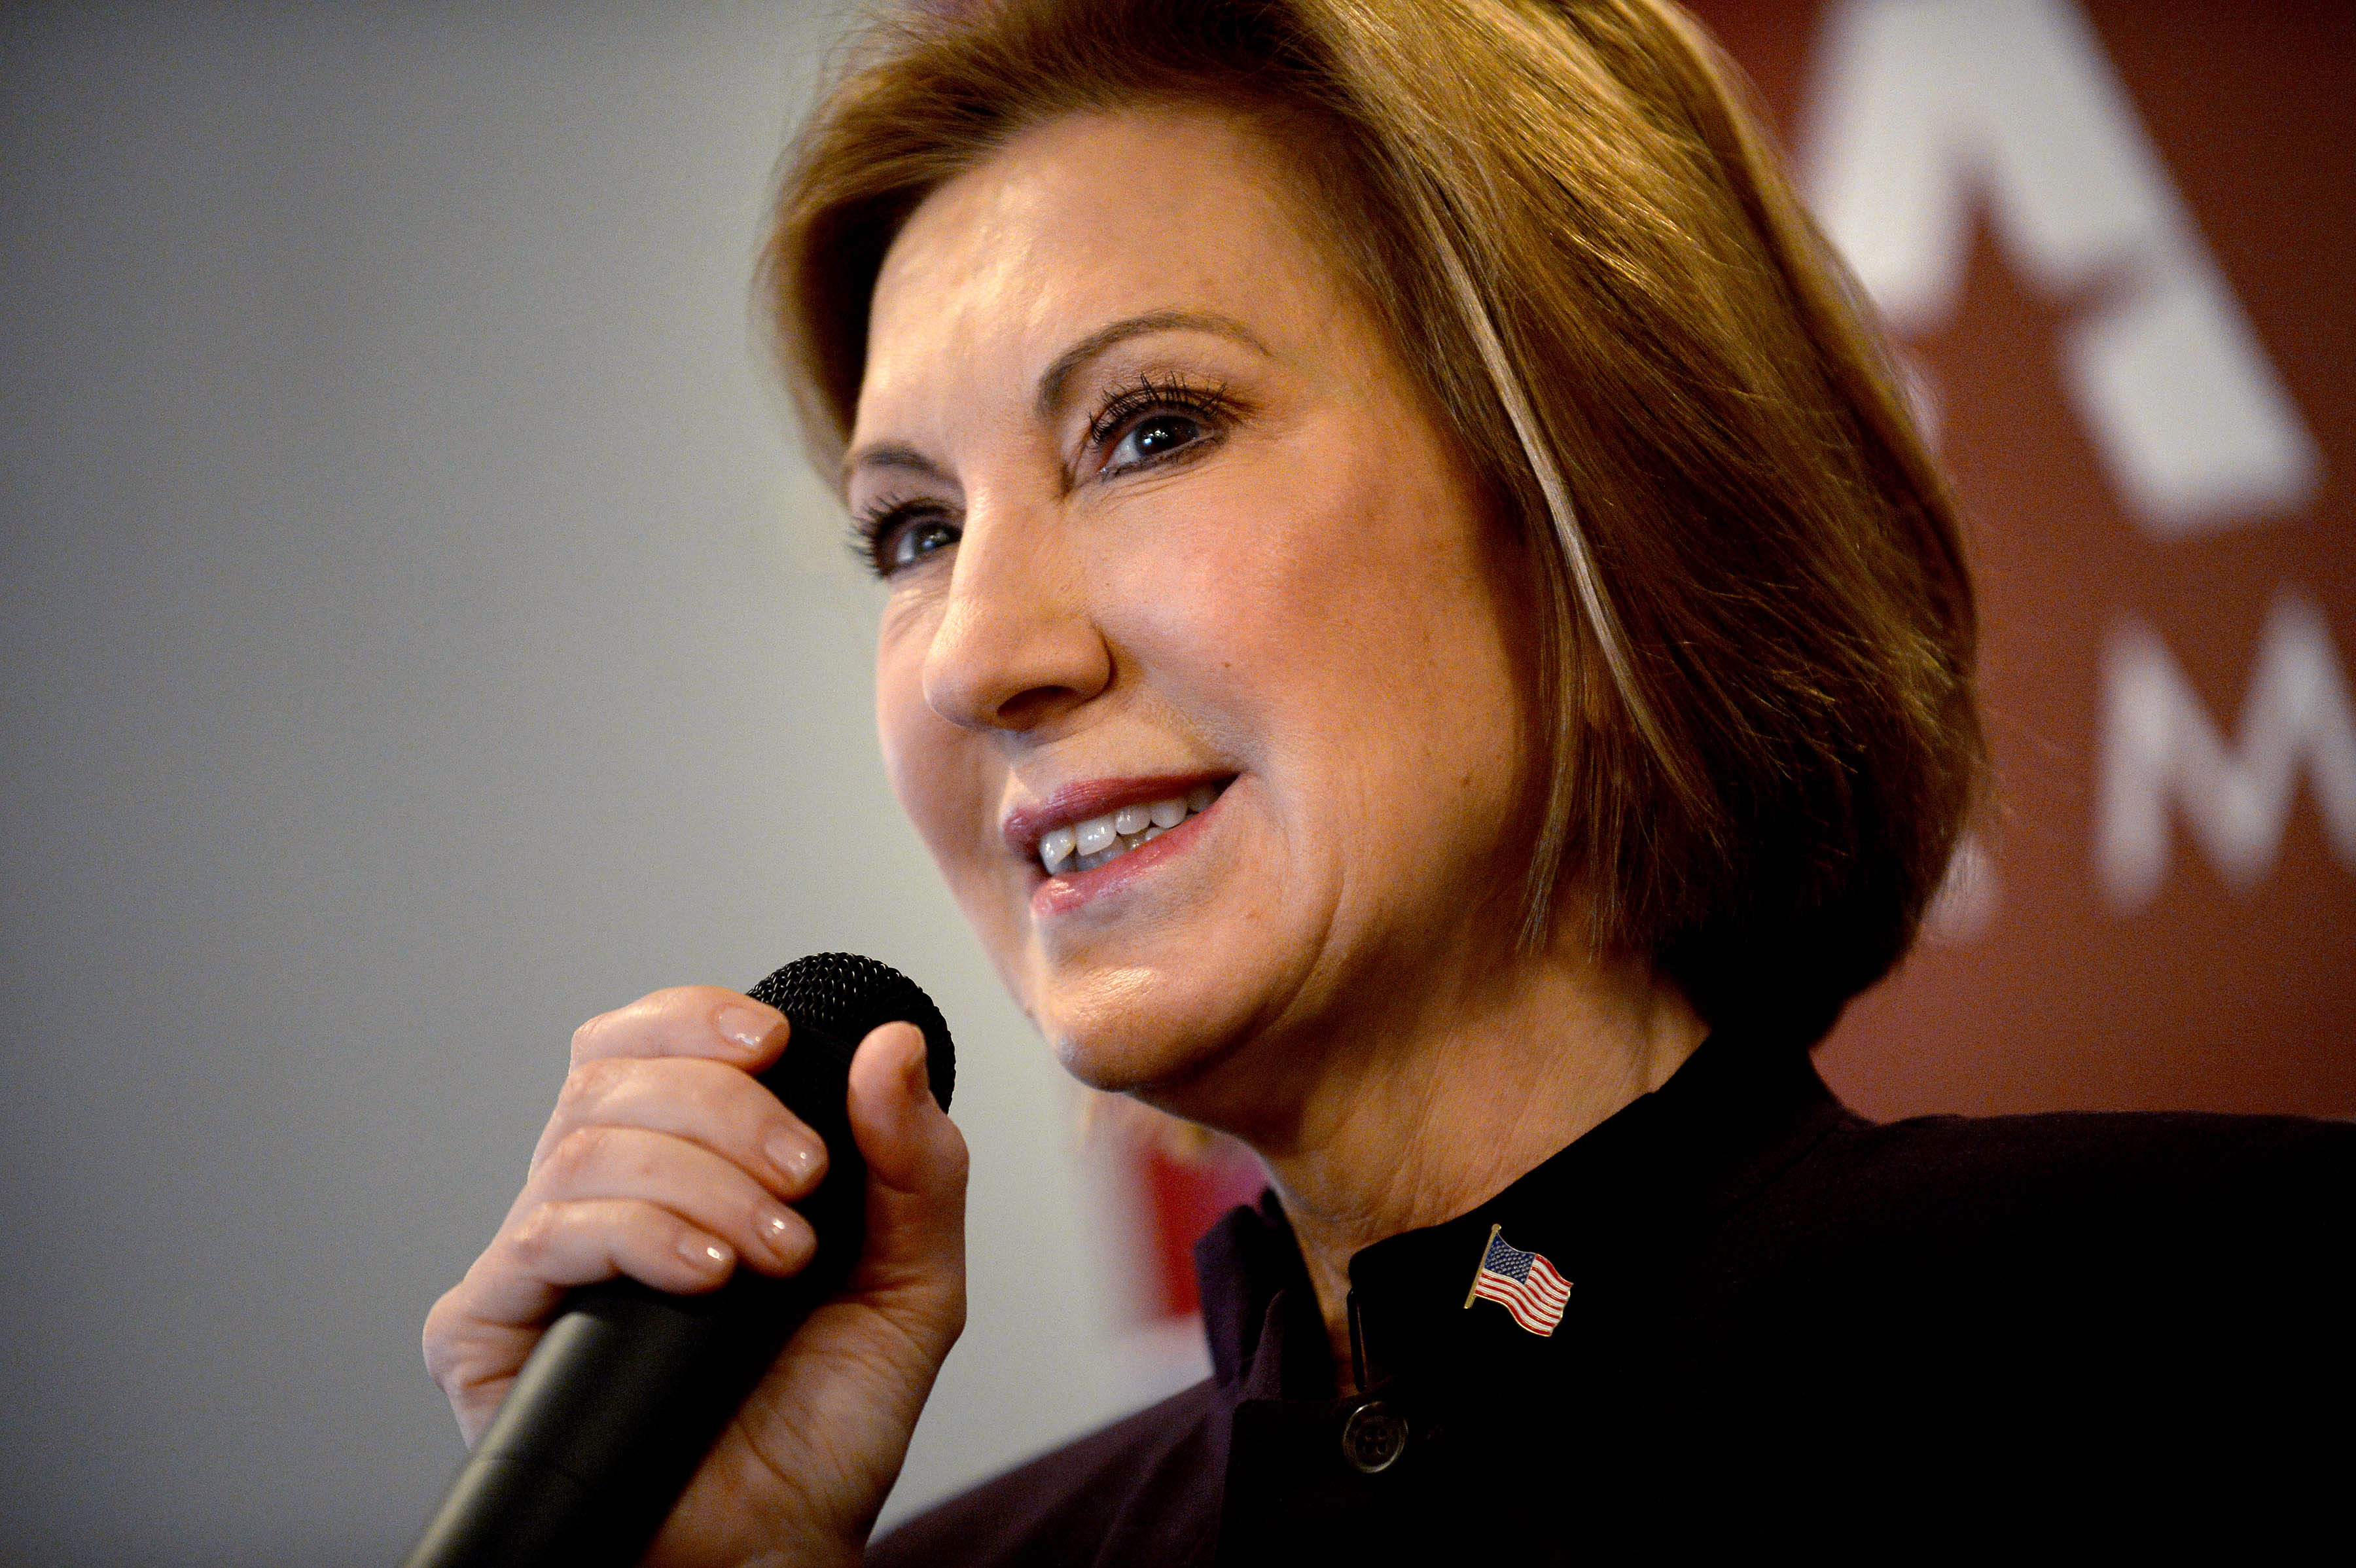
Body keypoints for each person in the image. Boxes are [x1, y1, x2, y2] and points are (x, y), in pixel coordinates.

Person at [421, 0, 2355, 1560]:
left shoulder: (2233, 1325)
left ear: (1599, 512)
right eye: (910, 531)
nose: (978, 653)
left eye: (1148, 427)